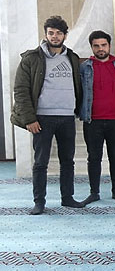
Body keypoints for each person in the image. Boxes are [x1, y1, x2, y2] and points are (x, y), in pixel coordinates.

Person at [11, 16, 85, 215]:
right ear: (45, 34)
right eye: (51, 33)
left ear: (65, 35)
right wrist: (29, 119)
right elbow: (20, 90)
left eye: (59, 33)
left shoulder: (72, 58)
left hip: (67, 118)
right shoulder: (31, 58)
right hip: (42, 118)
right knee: (40, 163)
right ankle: (39, 202)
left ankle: (67, 198)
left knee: (67, 161)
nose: (55, 36)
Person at [79, 30, 115, 204]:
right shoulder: (84, 67)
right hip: (93, 120)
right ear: (91, 47)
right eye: (96, 46)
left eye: (103, 45)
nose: (100, 49)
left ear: (109, 45)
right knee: (94, 157)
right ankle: (94, 192)